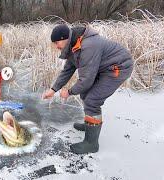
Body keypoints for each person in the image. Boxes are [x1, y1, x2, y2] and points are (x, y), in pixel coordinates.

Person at [42, 24, 133, 154]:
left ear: (65, 38)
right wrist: (53, 89)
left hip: (118, 67)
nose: (56, 46)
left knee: (92, 100)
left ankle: (91, 144)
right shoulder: (74, 45)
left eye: (57, 42)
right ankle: (90, 125)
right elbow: (68, 70)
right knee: (85, 94)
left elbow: (86, 80)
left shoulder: (88, 46)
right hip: (104, 68)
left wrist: (69, 92)